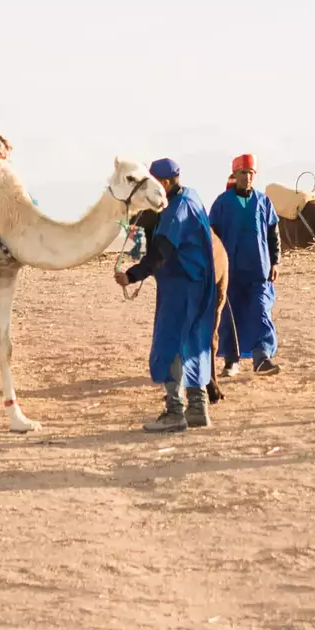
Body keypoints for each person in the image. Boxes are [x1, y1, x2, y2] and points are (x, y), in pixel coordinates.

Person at [120, 157, 221, 429]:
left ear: (164, 183)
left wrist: (131, 275)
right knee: (195, 341)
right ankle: (198, 408)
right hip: (200, 283)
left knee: (170, 343)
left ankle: (175, 412)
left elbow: (161, 252)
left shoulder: (176, 210)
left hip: (181, 285)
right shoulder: (192, 196)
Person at [211, 153, 281, 377]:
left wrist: (276, 261)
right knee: (231, 315)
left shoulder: (263, 201)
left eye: (251, 173)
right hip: (230, 272)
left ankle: (262, 357)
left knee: (261, 311)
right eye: (243, 173)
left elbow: (273, 234)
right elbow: (213, 236)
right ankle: (231, 361)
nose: (247, 177)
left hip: (259, 269)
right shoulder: (222, 203)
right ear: (235, 174)